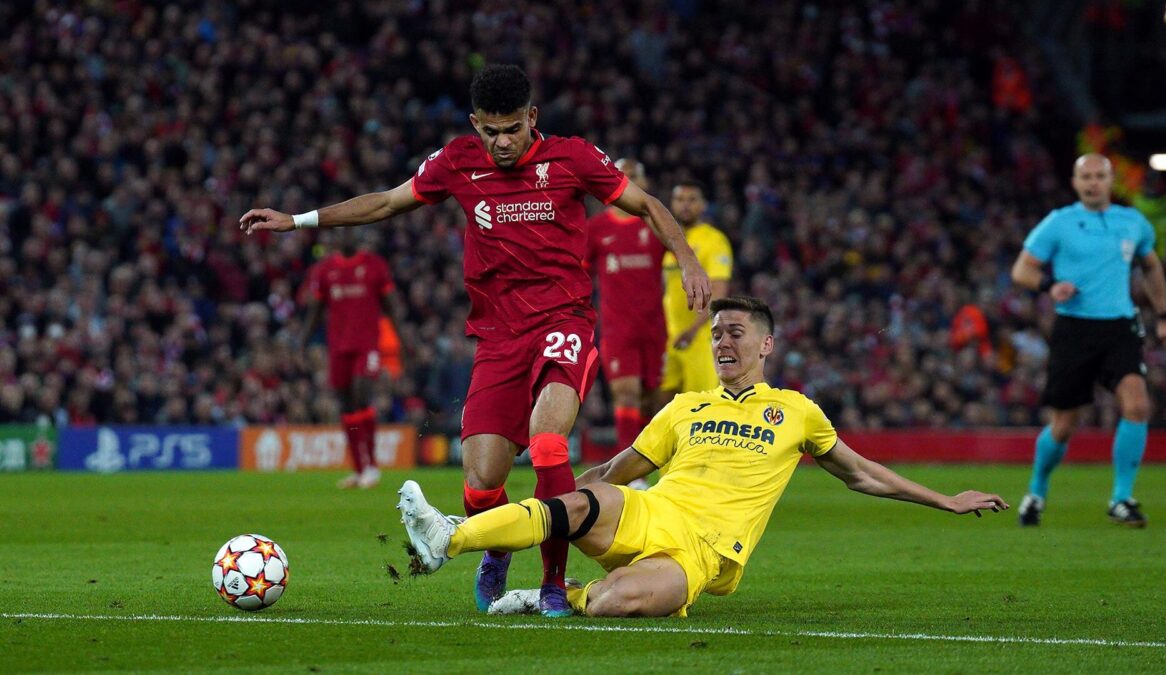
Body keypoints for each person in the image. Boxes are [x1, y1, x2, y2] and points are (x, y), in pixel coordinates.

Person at [240, 64, 711, 616]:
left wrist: (687, 257)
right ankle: (496, 549)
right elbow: (387, 203)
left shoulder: (573, 157)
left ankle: (554, 584)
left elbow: (648, 205)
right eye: (490, 131)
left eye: (512, 128)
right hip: (498, 338)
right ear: (474, 125)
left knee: (548, 444)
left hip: (563, 321)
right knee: (482, 481)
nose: (502, 142)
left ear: (532, 118)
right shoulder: (457, 161)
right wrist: (297, 221)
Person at [398, 296, 1008, 618]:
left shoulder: (797, 410)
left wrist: (943, 500)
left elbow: (861, 473)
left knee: (621, 601)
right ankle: (448, 536)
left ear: (766, 344)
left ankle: (556, 596)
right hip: (650, 512)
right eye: (716, 333)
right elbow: (616, 472)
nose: (722, 341)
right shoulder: (685, 407)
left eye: (734, 332)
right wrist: (559, 503)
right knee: (582, 501)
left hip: (705, 550)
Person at [1010, 153, 1166, 528]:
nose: (1092, 183)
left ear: (1110, 180)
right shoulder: (1059, 223)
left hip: (1119, 327)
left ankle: (1122, 498)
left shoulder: (1132, 223)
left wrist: (1165, 315)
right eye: (1085, 176)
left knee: (1136, 405)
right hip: (1074, 329)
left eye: (1099, 176)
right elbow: (1022, 269)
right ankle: (1036, 491)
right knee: (1064, 425)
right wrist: (1049, 286)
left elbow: (1151, 266)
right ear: (1075, 182)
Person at [299, 228, 405, 489]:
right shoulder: (325, 270)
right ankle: (359, 470)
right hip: (338, 347)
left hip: (367, 344)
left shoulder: (374, 265)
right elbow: (315, 309)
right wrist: (302, 342)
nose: (344, 237)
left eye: (349, 232)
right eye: (339, 233)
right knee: (345, 404)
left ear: (356, 237)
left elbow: (391, 305)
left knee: (360, 393)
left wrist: (403, 338)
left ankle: (371, 466)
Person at [585, 158, 665, 482]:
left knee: (651, 399)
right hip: (618, 327)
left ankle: (646, 460)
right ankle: (630, 473)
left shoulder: (656, 225)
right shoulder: (597, 228)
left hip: (655, 326)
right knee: (626, 394)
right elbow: (580, 272)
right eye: (624, 176)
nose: (630, 181)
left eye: (636, 176)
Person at [659, 181, 732, 404]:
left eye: (692, 200)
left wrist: (692, 331)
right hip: (671, 338)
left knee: (701, 407)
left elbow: (718, 294)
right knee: (662, 406)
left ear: (703, 205)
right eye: (680, 200)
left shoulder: (714, 240)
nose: (685, 206)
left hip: (700, 338)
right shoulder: (672, 242)